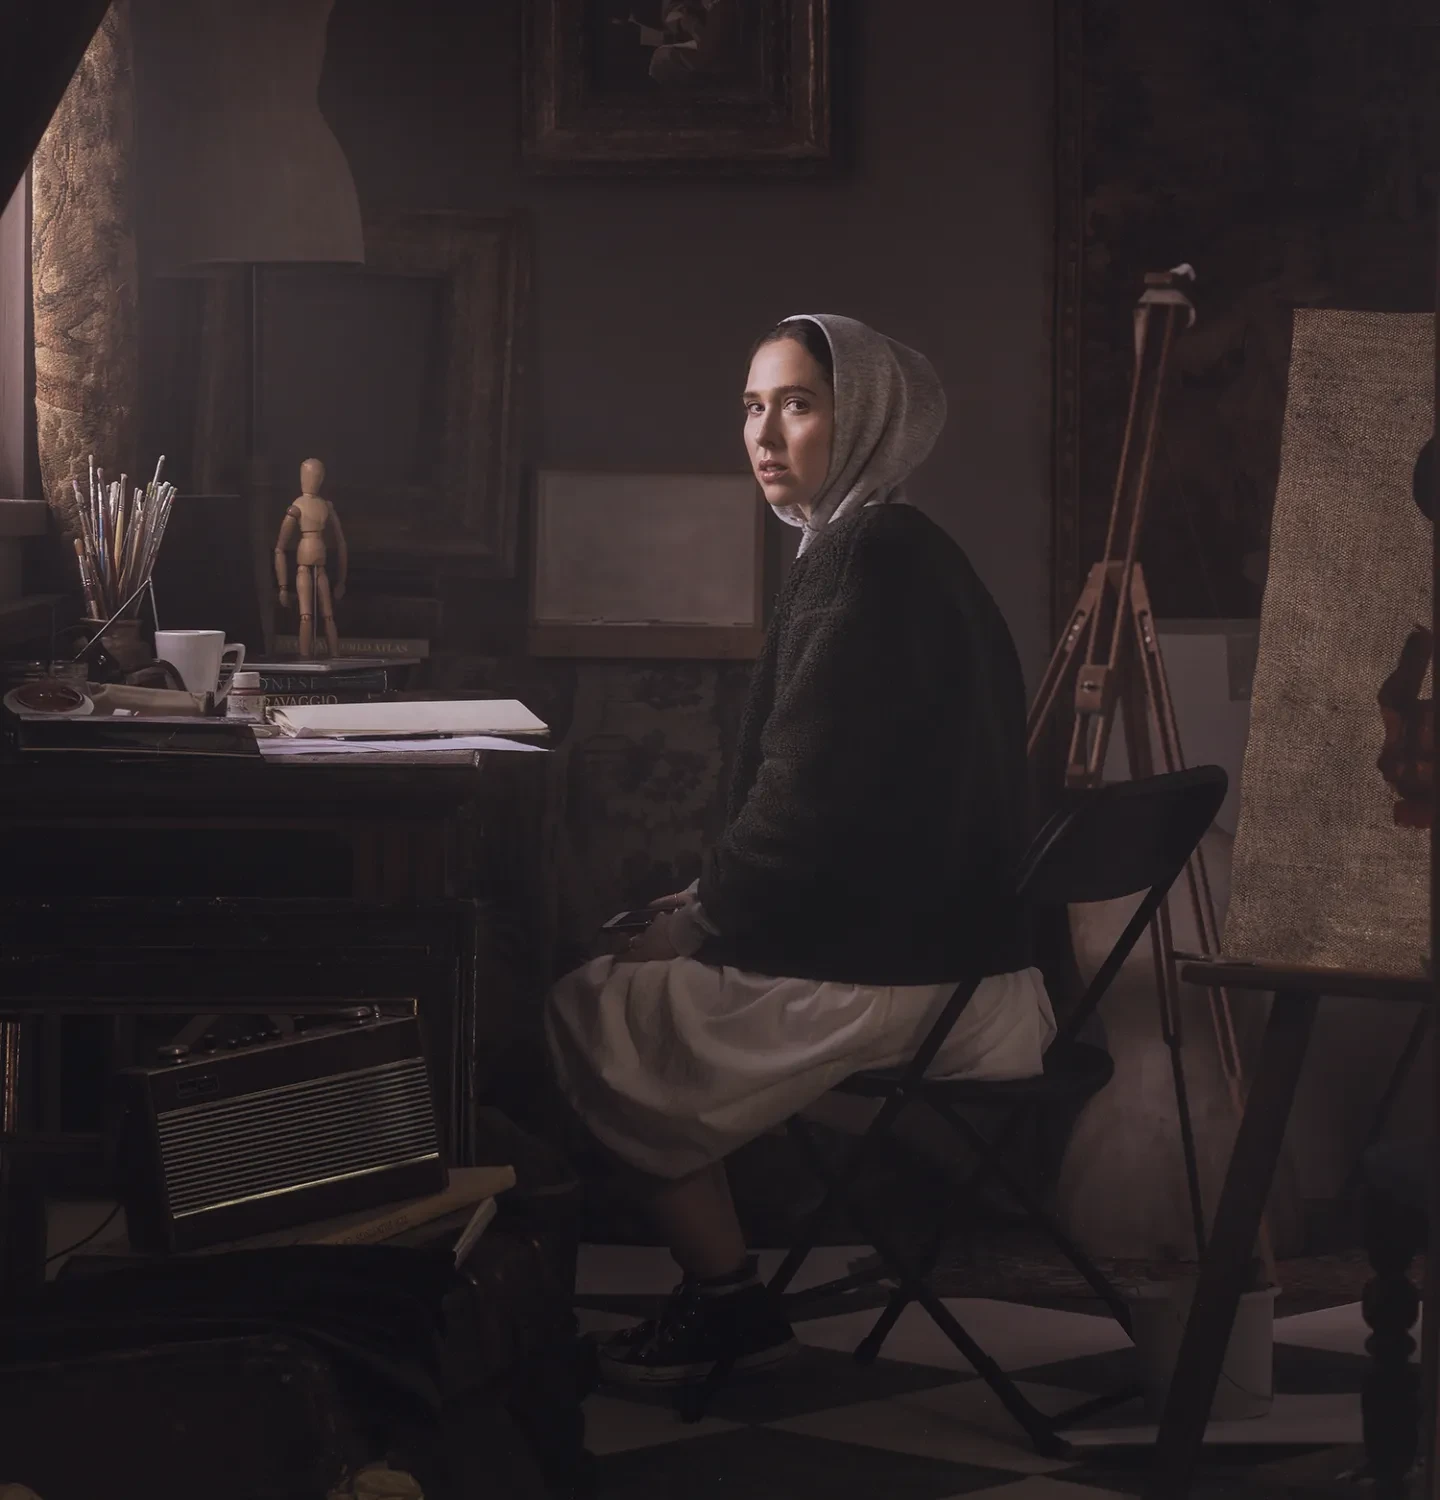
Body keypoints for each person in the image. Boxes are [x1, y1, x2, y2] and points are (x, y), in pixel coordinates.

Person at [545, 314, 1056, 1386]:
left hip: (904, 981)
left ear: (866, 418)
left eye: (799, 403)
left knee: (593, 1000)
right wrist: (707, 899)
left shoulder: (864, 563)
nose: (765, 432)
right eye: (752, 404)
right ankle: (723, 1292)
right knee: (642, 974)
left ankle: (724, 1299)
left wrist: (697, 918)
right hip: (969, 968)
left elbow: (802, 805)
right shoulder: (904, 552)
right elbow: (847, 803)